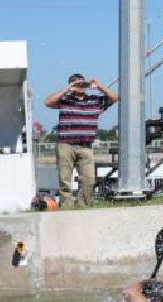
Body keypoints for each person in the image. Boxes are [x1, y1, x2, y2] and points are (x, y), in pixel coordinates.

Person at [44, 73, 119, 206]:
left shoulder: (95, 100)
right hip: (65, 145)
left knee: (89, 178)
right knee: (65, 179)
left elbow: (115, 98)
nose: (81, 86)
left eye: (83, 83)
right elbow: (48, 102)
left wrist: (100, 87)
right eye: (77, 84)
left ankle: (82, 204)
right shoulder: (65, 99)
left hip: (86, 145)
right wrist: (68, 89)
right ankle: (67, 205)